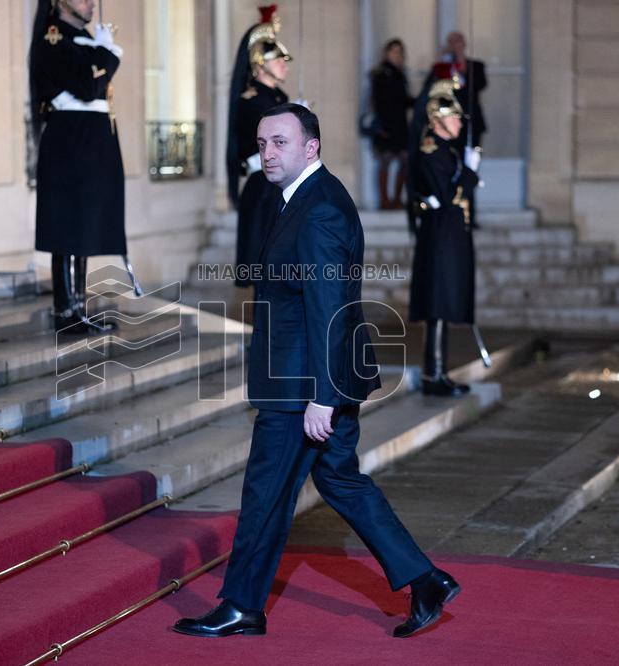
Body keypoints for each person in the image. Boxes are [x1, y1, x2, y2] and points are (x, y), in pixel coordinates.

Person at [174, 104, 460, 640]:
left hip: (303, 386)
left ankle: (241, 605)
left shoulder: (319, 208)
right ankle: (426, 581)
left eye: (280, 142)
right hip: (314, 377)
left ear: (312, 147)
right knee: (341, 480)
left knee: (266, 492)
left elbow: (329, 306)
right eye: (262, 143)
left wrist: (323, 398)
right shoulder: (302, 199)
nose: (268, 152)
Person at [29, 0, 125, 333]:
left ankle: (80, 308)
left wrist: (98, 50)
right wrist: (106, 52)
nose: (90, 4)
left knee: (84, 225)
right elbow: (88, 86)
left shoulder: (83, 40)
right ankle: (65, 310)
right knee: (67, 226)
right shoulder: (53, 38)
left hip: (88, 142)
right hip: (70, 140)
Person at [408, 80, 479, 398]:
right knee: (437, 303)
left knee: (446, 302)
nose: (459, 122)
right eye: (453, 118)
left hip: (451, 235)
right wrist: (469, 171)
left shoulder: (445, 149)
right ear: (437, 120)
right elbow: (450, 196)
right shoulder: (432, 150)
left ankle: (440, 371)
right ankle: (432, 373)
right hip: (440, 236)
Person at [227, 5, 291, 288]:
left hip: (281, 185)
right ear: (259, 64)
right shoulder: (252, 100)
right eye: (278, 60)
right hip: (264, 187)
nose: (284, 65)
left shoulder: (278, 97)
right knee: (265, 270)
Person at [369, 38, 414, 210]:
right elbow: (378, 101)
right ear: (387, 53)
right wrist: (381, 126)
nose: (396, 55)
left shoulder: (400, 74)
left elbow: (403, 100)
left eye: (399, 52)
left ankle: (396, 199)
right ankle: (385, 200)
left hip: (400, 125)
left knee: (403, 161)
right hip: (386, 125)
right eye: (393, 51)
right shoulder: (381, 74)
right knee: (386, 161)